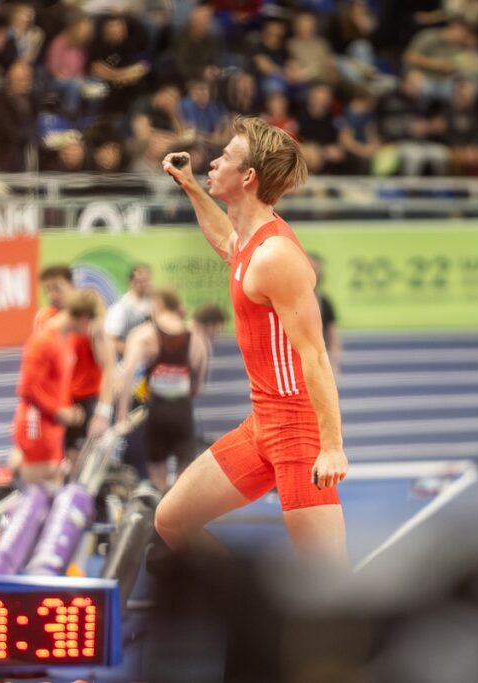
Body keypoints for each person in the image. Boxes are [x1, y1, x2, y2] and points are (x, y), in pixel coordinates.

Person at [158, 116, 349, 564]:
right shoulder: (248, 242)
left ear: (247, 178)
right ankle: (240, 598)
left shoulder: (275, 256)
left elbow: (315, 355)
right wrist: (190, 186)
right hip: (262, 425)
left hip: (297, 432)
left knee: (328, 577)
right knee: (172, 520)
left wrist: (332, 447)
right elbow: (226, 242)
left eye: (225, 157)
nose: (214, 161)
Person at [115, 288, 209, 491]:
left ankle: (160, 505)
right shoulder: (195, 336)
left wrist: (122, 413)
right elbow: (199, 382)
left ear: (157, 306)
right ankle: (179, 507)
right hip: (182, 411)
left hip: (156, 411)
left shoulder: (144, 334)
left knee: (158, 477)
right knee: (184, 478)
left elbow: (127, 373)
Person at [11, 289, 104, 485]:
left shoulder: (65, 339)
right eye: (91, 324)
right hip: (36, 422)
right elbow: (26, 388)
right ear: (84, 318)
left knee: (51, 478)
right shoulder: (44, 340)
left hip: (50, 423)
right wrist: (59, 411)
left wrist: (67, 409)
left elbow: (56, 385)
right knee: (40, 485)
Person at [104, 263, 153, 357]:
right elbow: (112, 341)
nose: (143, 284)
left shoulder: (155, 304)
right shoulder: (119, 307)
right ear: (130, 282)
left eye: (146, 280)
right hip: (128, 361)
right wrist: (136, 354)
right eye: (139, 281)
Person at [308, 253, 341, 373]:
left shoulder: (325, 302)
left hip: (318, 361)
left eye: (317, 270)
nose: (315, 273)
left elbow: (333, 335)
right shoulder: (287, 301)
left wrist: (334, 364)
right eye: (311, 268)